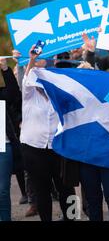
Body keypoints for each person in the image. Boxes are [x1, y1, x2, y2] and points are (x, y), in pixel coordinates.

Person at [20, 46, 76, 221]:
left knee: (67, 188)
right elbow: (28, 77)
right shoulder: (29, 94)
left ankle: (72, 218)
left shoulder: (60, 96)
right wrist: (31, 59)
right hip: (34, 148)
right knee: (41, 189)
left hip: (59, 148)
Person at [0, 57, 22, 221]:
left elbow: (14, 93)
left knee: (2, 190)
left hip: (3, 147)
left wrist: (6, 69)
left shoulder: (1, 95)